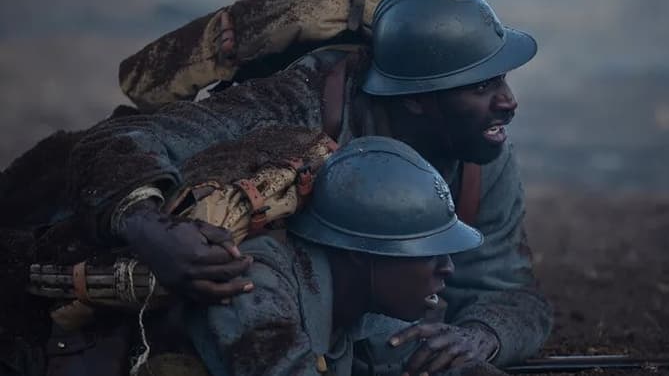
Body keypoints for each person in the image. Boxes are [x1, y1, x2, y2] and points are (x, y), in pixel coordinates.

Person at [65, 0, 552, 373]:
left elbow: (509, 292)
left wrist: (481, 338)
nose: (508, 103)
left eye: (503, 80)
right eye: (482, 86)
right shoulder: (297, 106)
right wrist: (153, 231)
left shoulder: (477, 154)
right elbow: (117, 143)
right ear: (418, 99)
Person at [183, 136, 484, 376]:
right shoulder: (254, 287)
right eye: (428, 252)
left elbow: (414, 352)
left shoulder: (357, 301)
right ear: (358, 252)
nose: (448, 268)